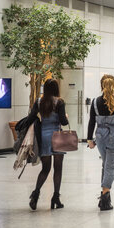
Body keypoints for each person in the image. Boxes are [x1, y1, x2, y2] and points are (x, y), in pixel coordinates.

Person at [27, 78, 69, 210]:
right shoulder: (59, 102)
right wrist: (65, 117)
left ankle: (35, 195)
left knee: (45, 169)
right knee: (58, 169)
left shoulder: (39, 101)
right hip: (57, 136)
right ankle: (56, 198)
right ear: (56, 89)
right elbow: (63, 122)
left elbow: (31, 117)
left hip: (44, 137)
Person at [87, 74, 114, 211]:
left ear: (102, 85)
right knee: (110, 167)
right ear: (113, 85)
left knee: (105, 164)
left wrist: (89, 139)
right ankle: (105, 198)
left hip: (100, 136)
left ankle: (104, 195)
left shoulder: (95, 102)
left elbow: (92, 121)